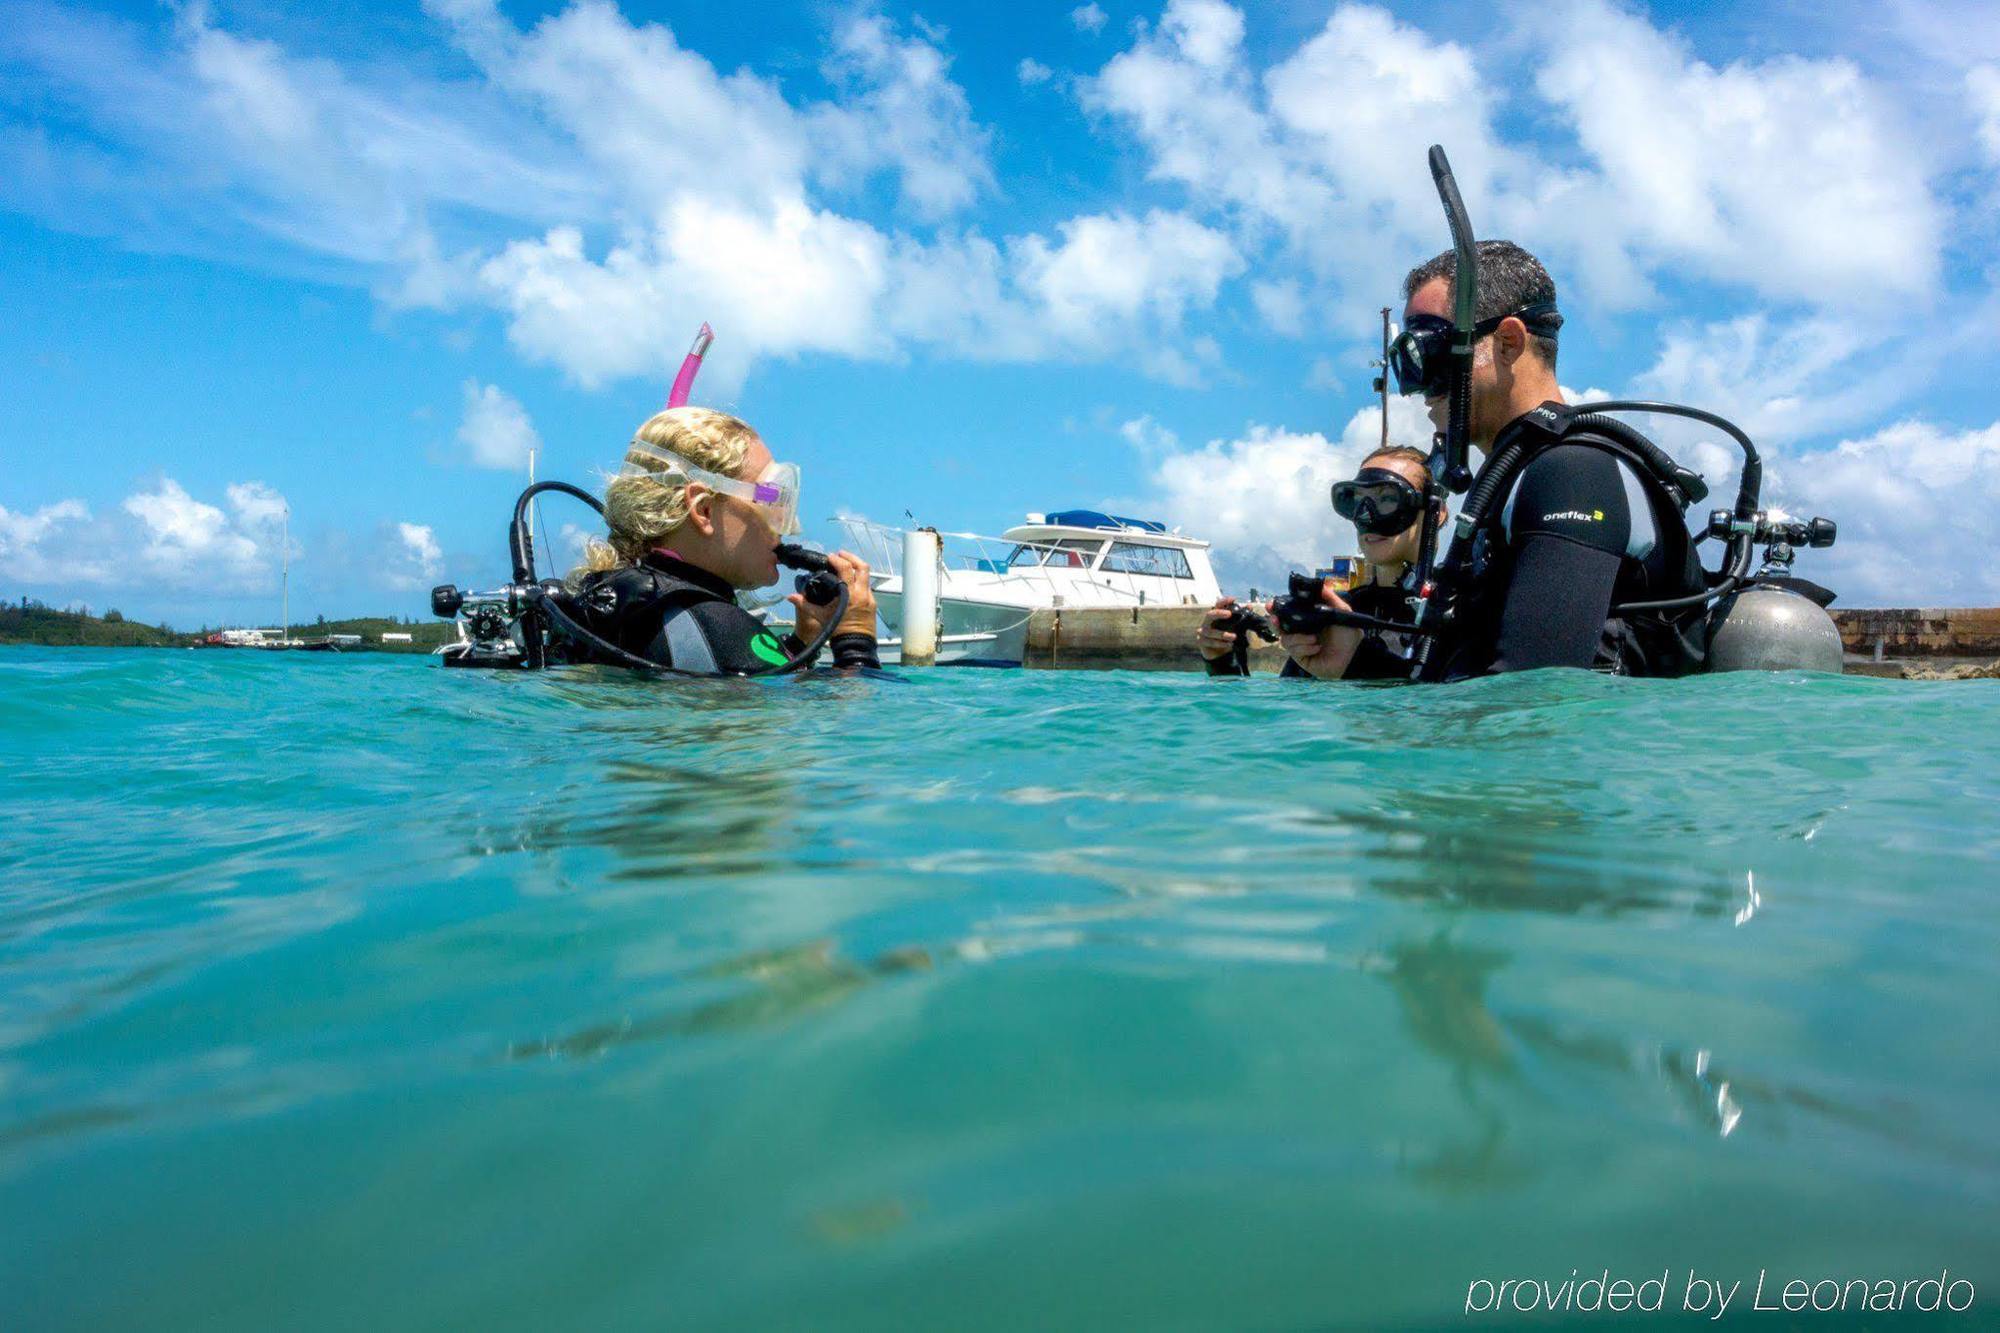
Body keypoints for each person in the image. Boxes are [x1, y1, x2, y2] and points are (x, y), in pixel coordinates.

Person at [1385, 240, 1708, 678]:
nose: (1414, 385)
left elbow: (1531, 703)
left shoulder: (1573, 473)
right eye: (1406, 359)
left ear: (1509, 340)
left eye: (1430, 352)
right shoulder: (1516, 480)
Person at [569, 406, 880, 673]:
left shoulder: (626, 601)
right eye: (770, 500)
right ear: (703, 510)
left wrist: (800, 644)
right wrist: (855, 641)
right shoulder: (718, 628)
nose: (790, 527)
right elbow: (855, 733)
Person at [1197, 445, 1440, 680]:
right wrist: (1223, 661)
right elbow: (1279, 714)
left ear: (1435, 512)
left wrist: (1355, 663)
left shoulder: (1457, 611)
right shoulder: (1335, 614)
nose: (1366, 515)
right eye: (1356, 501)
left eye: (1387, 498)